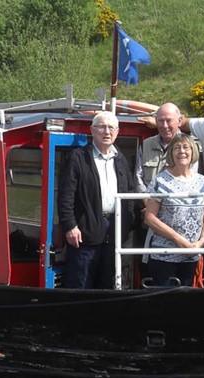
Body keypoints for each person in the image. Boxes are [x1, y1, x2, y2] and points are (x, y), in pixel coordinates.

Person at [58, 111, 139, 289]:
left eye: (111, 127)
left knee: (107, 281)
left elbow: (130, 192)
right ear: (92, 131)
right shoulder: (78, 158)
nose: (106, 131)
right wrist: (70, 226)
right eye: (101, 126)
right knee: (81, 281)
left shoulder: (121, 160)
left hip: (114, 231)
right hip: (85, 231)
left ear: (117, 132)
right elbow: (66, 195)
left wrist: (127, 222)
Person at [144, 134, 204, 287]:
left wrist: (200, 243)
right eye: (177, 148)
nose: (182, 151)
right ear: (171, 153)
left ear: (193, 151)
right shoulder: (160, 181)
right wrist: (179, 240)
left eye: (186, 147)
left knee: (185, 300)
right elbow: (149, 218)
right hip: (164, 256)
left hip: (191, 255)